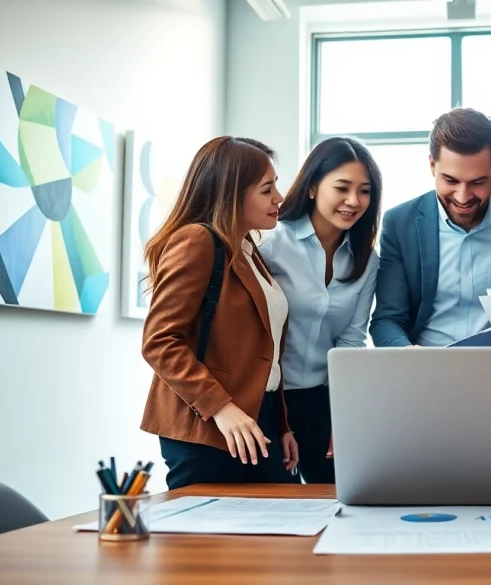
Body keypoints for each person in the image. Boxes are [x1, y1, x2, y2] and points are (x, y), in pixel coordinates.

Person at [139, 136, 300, 490]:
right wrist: (221, 409)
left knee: (273, 535)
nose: (279, 198)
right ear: (232, 193)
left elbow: (264, 350)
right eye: (267, 189)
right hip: (210, 424)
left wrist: (282, 425)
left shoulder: (247, 248)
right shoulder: (197, 241)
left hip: (260, 419)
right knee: (207, 541)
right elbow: (159, 342)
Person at [259, 137, 381, 483]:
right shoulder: (270, 244)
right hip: (269, 401)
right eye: (342, 188)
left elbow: (352, 339)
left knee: (337, 496)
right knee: (275, 505)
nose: (353, 201)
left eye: (365, 191)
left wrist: (345, 414)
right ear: (313, 187)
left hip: (323, 399)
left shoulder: (366, 259)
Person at [370, 107, 491, 347]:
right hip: (425, 371)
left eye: (478, 182)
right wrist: (409, 355)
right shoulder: (399, 224)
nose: (463, 197)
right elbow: (387, 320)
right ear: (432, 165)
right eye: (450, 180)